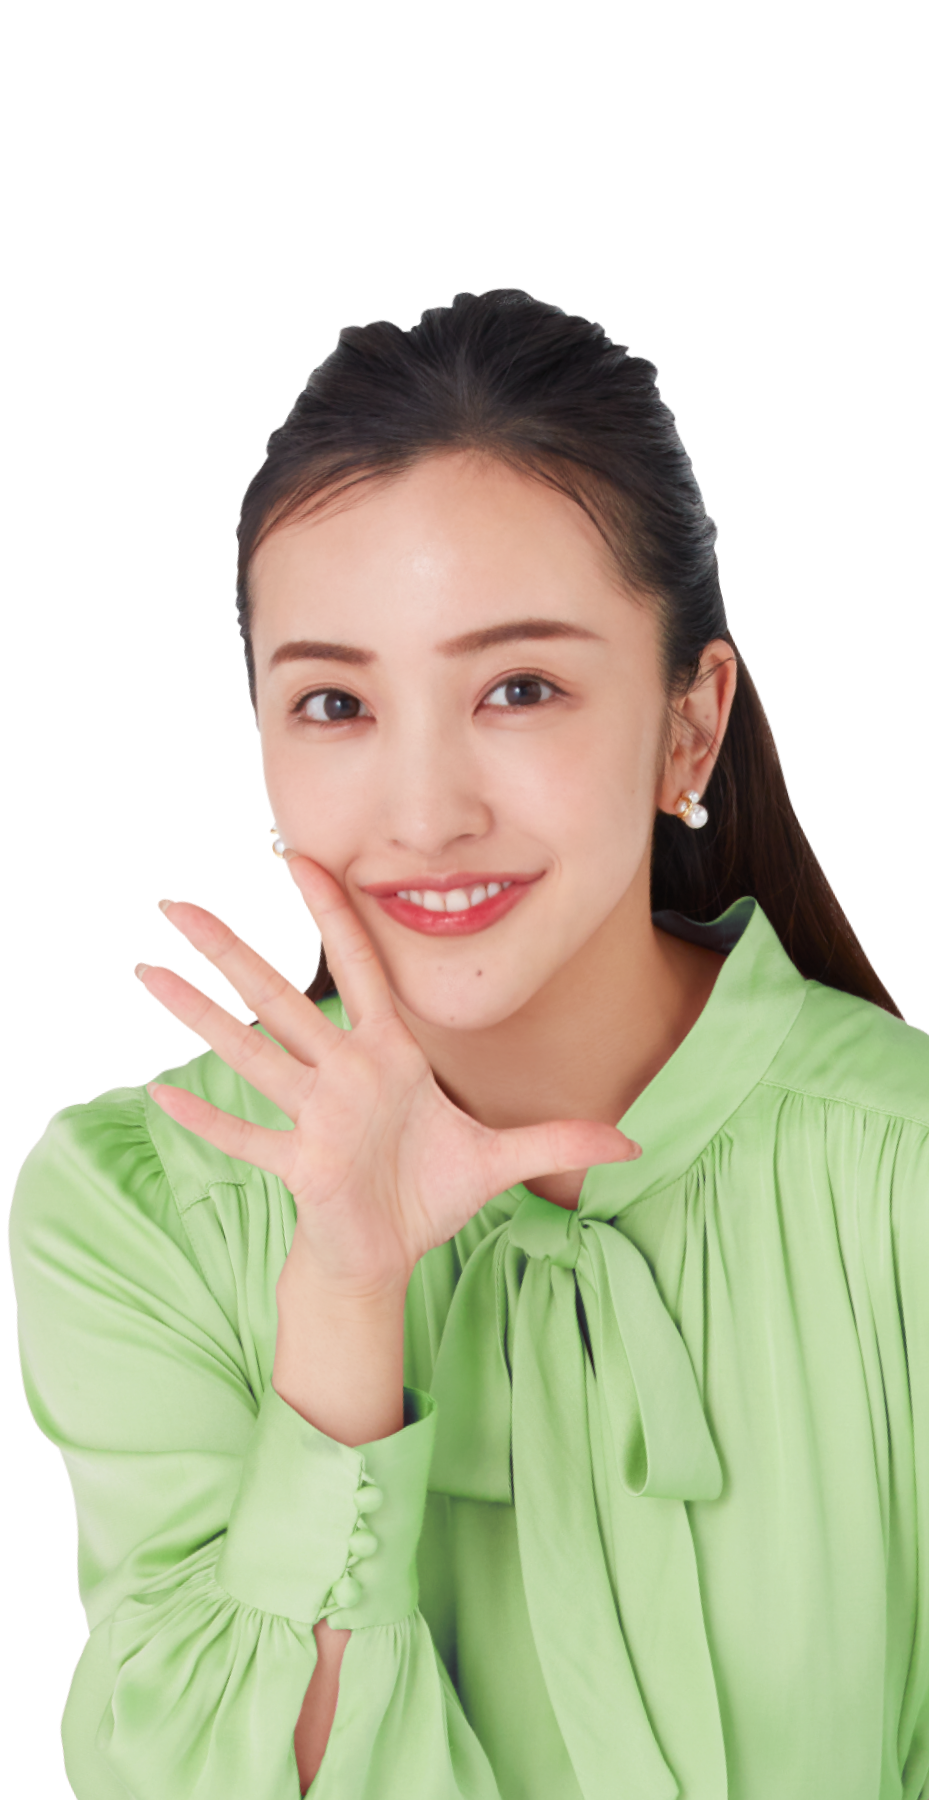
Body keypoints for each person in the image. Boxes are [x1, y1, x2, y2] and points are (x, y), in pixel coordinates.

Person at [8, 288, 927, 1800]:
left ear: (689, 727)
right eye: (334, 702)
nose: (425, 815)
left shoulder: (908, 1176)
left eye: (518, 688)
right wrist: (345, 1298)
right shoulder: (140, 1211)